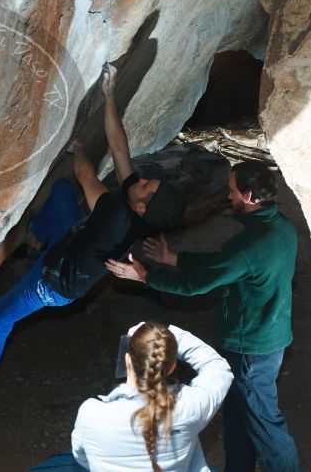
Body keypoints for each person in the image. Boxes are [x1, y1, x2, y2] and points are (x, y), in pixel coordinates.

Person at [0, 63, 185, 400]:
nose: (141, 179)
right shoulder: (139, 205)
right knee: (60, 193)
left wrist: (81, 149)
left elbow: (87, 177)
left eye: (145, 185)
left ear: (143, 206)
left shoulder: (118, 217)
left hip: (54, 282)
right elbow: (119, 149)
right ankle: (36, 240)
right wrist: (110, 95)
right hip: (71, 242)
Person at [105, 160, 300, 471]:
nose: (228, 197)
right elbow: (224, 263)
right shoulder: (281, 227)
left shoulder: (251, 244)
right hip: (269, 338)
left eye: (234, 192)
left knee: (266, 424)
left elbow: (198, 284)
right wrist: (174, 257)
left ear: (249, 197)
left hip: (248, 347)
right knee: (239, 413)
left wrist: (145, 277)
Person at [71, 321, 233, 472]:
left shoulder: (90, 414)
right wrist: (166, 338)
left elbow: (82, 457)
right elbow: (218, 368)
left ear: (127, 360)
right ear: (171, 367)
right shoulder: (188, 406)